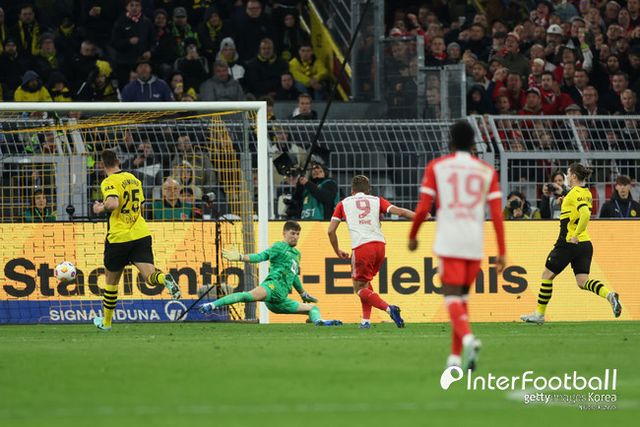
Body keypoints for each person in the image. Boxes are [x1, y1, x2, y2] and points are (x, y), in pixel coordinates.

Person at [408, 120, 507, 371]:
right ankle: (454, 358)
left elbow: (423, 207)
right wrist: (502, 251)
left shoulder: (437, 166)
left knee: (451, 298)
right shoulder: (487, 171)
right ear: (474, 143)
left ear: (450, 141)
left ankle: (469, 339)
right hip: (474, 242)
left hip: (449, 241)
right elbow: (497, 215)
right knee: (461, 300)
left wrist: (413, 234)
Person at [521, 163, 622, 325]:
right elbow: (576, 207)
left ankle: (539, 314)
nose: (567, 177)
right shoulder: (586, 192)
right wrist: (564, 199)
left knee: (547, 275)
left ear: (574, 176)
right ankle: (609, 295)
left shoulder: (575, 193)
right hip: (585, 244)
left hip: (568, 241)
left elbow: (585, 213)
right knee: (583, 281)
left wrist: (574, 235)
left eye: (568, 174)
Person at [92, 149, 180, 332]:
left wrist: (100, 208)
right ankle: (164, 278)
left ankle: (106, 323)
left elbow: (113, 203)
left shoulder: (109, 181)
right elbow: (140, 205)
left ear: (102, 165)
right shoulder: (134, 179)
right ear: (118, 161)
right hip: (140, 234)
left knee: (111, 282)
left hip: (119, 238)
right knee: (150, 277)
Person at [199, 221, 342, 326]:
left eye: (298, 234)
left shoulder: (297, 254)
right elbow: (260, 256)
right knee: (247, 296)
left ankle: (318, 321)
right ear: (284, 233)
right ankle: (211, 305)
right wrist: (241, 257)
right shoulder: (278, 247)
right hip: (272, 287)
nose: (295, 237)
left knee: (313, 308)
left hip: (280, 300)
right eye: (292, 233)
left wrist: (303, 293)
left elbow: (293, 276)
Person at [327, 175, 414, 329]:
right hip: (380, 246)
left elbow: (330, 231)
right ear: (369, 190)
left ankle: (389, 309)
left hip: (362, 246)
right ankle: (365, 322)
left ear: (352, 190)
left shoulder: (343, 203)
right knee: (365, 284)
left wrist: (337, 250)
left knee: (359, 288)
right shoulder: (377, 200)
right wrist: (420, 216)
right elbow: (399, 212)